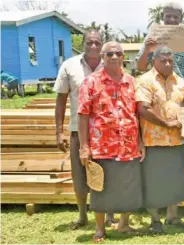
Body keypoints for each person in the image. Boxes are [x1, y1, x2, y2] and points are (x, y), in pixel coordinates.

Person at [77, 41, 144, 242]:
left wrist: (140, 141)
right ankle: (100, 229)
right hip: (102, 147)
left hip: (129, 145)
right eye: (109, 54)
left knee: (128, 187)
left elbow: (137, 114)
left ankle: (124, 224)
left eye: (118, 53)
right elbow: (82, 115)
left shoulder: (132, 82)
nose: (114, 57)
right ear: (103, 57)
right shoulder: (90, 82)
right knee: (99, 188)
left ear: (124, 56)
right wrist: (84, 146)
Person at [53, 30, 118, 229]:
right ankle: (82, 216)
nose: (93, 46)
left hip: (105, 132)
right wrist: (58, 132)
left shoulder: (110, 64)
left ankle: (109, 216)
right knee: (79, 176)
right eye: (89, 42)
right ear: (82, 43)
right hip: (77, 131)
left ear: (102, 45)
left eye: (97, 43)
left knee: (107, 174)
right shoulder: (69, 66)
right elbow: (61, 100)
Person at [135, 46, 184, 233]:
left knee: (175, 180)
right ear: (154, 61)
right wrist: (166, 123)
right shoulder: (144, 81)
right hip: (153, 141)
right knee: (154, 182)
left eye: (170, 60)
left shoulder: (181, 83)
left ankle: (172, 217)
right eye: (163, 60)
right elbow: (143, 108)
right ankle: (155, 220)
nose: (167, 64)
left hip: (177, 141)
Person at [136, 1, 184, 79]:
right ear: (162, 16)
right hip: (157, 88)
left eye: (176, 17)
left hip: (182, 88)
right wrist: (146, 51)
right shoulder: (153, 36)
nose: (172, 20)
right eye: (168, 16)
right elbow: (140, 68)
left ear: (181, 18)